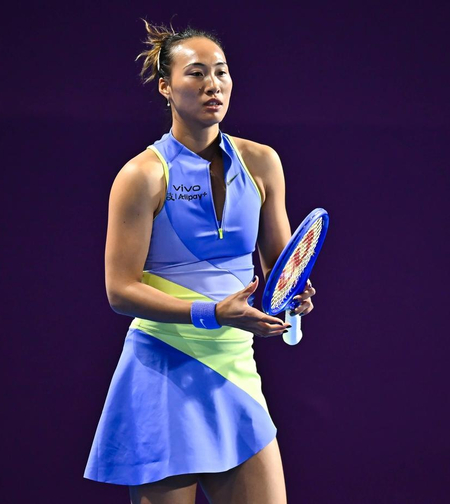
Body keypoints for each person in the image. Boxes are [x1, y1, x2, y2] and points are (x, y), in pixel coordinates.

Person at [83, 19, 317, 504]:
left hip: (235, 367)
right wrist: (213, 312)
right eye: (196, 73)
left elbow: (280, 266)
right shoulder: (142, 175)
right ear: (165, 87)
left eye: (221, 72)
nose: (213, 85)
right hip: (162, 369)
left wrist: (294, 295)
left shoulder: (262, 163)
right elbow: (119, 291)